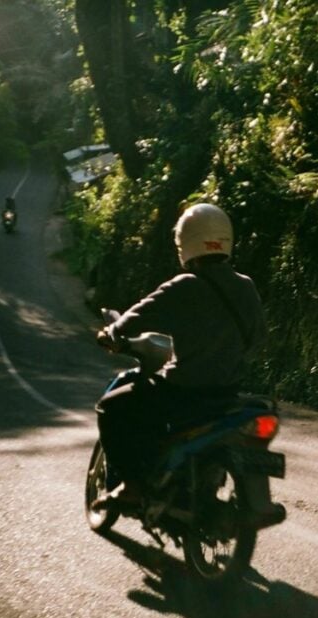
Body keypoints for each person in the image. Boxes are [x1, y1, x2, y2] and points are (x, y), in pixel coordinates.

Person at [94, 203, 268, 507]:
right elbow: (258, 340)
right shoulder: (246, 285)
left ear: (185, 244)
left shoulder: (184, 286)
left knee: (111, 408)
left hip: (182, 395)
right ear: (226, 240)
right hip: (227, 395)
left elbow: (136, 316)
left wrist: (113, 333)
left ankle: (132, 485)